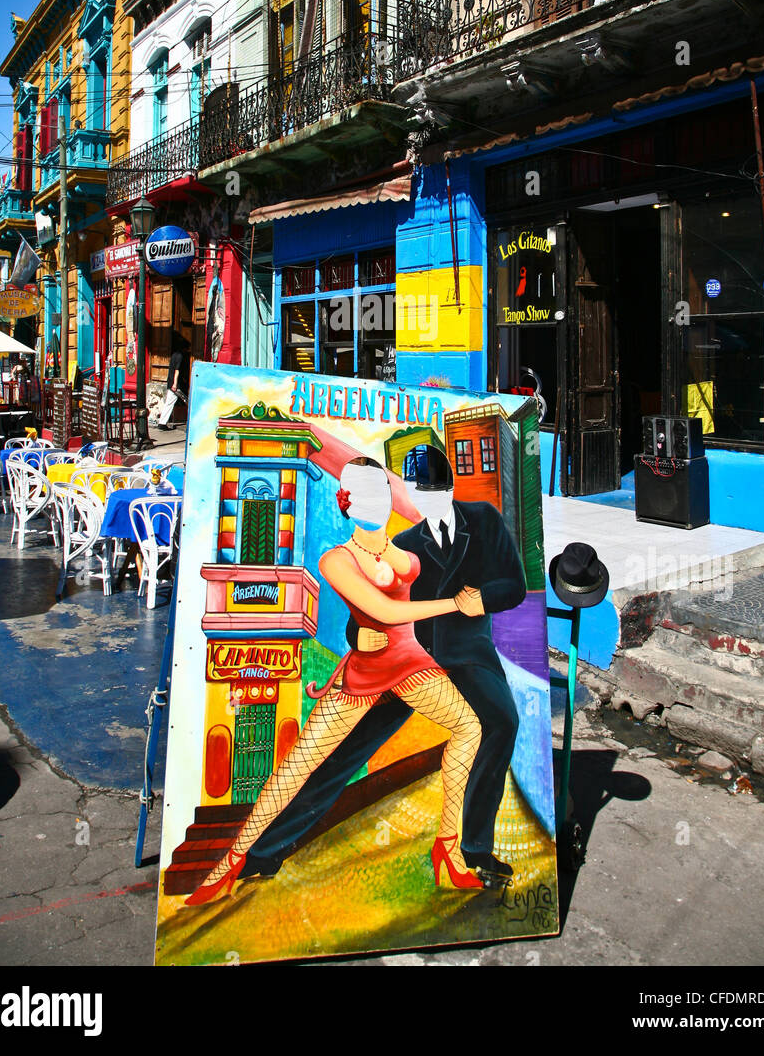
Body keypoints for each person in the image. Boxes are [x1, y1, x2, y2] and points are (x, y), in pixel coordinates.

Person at [185, 457, 485, 906]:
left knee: (470, 726)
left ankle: (448, 848)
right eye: (367, 494)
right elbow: (382, 612)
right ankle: (233, 859)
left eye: (381, 491)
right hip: (367, 671)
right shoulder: (336, 560)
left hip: (411, 663)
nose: (379, 501)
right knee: (298, 763)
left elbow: (406, 600)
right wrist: (452, 607)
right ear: (350, 503)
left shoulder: (406, 554)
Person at [235, 443, 527, 883]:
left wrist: (482, 599)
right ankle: (265, 852)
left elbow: (515, 585)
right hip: (408, 661)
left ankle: (475, 850)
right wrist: (358, 636)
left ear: (449, 488)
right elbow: (369, 609)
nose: (429, 501)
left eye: (436, 491)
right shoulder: (404, 545)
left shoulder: (484, 520)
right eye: (420, 494)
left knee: (501, 722)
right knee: (346, 749)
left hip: (467, 654)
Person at [157, 337, 189, 430]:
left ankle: (162, 422)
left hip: (171, 382)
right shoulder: (180, 356)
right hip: (176, 385)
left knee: (169, 403)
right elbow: (177, 371)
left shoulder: (174, 355)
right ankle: (162, 423)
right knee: (186, 401)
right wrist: (175, 384)